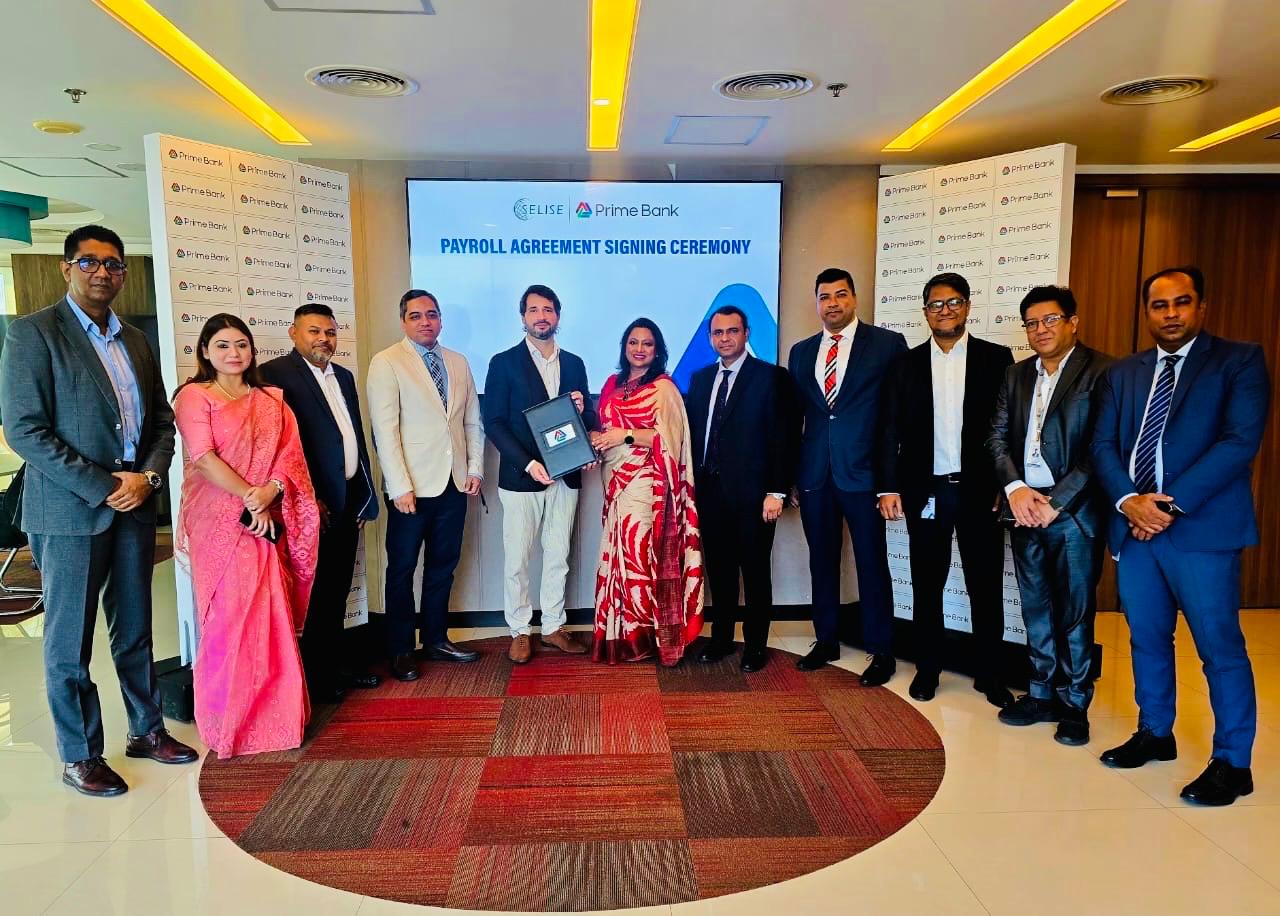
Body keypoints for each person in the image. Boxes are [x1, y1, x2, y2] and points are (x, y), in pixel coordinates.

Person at [0, 225, 197, 797]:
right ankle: (80, 755)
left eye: (113, 263)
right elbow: (25, 430)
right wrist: (105, 485)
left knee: (135, 629)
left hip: (135, 506)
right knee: (70, 643)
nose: (103, 272)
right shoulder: (33, 334)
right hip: (69, 513)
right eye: (89, 262)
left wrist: (149, 479)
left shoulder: (135, 339)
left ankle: (146, 730)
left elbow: (162, 422)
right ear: (67, 268)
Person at [1092, 266, 1270, 806]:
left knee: (1219, 648)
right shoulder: (1123, 373)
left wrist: (1167, 505)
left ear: (1201, 306)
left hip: (1201, 531)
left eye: (1181, 302)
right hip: (1136, 530)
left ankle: (1233, 762)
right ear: (1146, 312)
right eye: (1159, 304)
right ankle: (1155, 732)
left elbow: (1239, 442)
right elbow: (1103, 446)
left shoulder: (1238, 361)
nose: (1170, 314)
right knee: (1146, 638)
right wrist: (1130, 501)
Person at [172, 314, 319, 757]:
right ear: (205, 351)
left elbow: (290, 458)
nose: (233, 353)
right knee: (228, 619)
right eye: (222, 345)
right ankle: (228, 723)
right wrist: (250, 498)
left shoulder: (270, 401)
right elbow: (203, 457)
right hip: (218, 520)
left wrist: (269, 491)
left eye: (241, 344)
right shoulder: (194, 396)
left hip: (263, 519)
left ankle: (277, 720)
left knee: (268, 615)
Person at [877, 272, 1013, 707]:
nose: (945, 310)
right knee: (926, 583)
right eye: (936, 304)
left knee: (984, 585)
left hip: (980, 491)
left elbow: (1008, 426)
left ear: (968, 306)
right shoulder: (905, 365)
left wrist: (1006, 484)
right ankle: (928, 669)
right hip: (926, 492)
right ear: (925, 312)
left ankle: (990, 674)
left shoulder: (997, 358)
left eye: (953, 302)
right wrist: (888, 487)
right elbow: (889, 430)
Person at [988, 285, 1113, 746]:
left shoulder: (1103, 371)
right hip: (1024, 507)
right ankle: (1041, 692)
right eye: (1032, 323)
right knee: (1036, 608)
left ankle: (1075, 703)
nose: (1040, 329)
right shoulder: (1016, 374)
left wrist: (1056, 501)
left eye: (1050, 320)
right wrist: (1017, 490)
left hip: (1073, 512)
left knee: (1074, 613)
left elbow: (1102, 447)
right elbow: (997, 437)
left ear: (1072, 322)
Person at [789, 267, 908, 678]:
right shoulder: (801, 352)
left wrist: (890, 483)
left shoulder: (887, 345)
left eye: (841, 294)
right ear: (816, 303)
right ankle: (826, 641)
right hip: (815, 475)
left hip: (866, 475)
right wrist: (793, 477)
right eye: (825, 297)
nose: (833, 303)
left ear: (854, 298)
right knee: (821, 561)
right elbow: (798, 419)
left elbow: (895, 418)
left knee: (871, 564)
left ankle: (882, 650)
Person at [260, 303, 380, 703]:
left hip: (347, 503)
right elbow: (278, 446)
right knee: (312, 596)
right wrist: (309, 499)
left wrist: (364, 496)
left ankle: (333, 669)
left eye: (329, 332)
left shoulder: (342, 376)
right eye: (314, 331)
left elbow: (353, 438)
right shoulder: (275, 375)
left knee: (337, 591)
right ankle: (313, 681)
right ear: (293, 333)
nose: (323, 339)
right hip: (310, 508)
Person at [367, 290, 484, 682]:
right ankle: (401, 649)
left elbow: (472, 422)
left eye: (432, 314)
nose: (425, 322)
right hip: (410, 490)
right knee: (402, 569)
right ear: (403, 321)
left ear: (440, 319)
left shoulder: (458, 361)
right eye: (416, 316)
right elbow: (385, 432)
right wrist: (399, 486)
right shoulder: (387, 362)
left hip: (454, 483)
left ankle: (436, 639)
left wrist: (475, 468)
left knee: (442, 566)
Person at [483, 284, 598, 664]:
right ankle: (520, 630)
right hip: (522, 478)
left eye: (548, 309)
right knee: (517, 559)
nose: (541, 316)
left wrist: (583, 413)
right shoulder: (503, 363)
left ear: (558, 316)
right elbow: (494, 422)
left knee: (558, 555)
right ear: (523, 317)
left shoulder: (575, 363)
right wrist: (528, 463)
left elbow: (588, 419)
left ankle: (552, 626)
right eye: (533, 310)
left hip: (565, 477)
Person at [685, 305, 798, 672]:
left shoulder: (771, 377)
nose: (725, 338)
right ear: (710, 338)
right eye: (718, 333)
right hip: (710, 493)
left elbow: (784, 437)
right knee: (720, 572)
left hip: (755, 496)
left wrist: (777, 491)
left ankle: (755, 645)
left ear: (746, 333)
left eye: (732, 331)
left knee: (755, 572)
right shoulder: (701, 379)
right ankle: (721, 639)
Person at [591, 318, 703, 665]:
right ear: (624, 347)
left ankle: (642, 637)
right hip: (613, 479)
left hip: (644, 482)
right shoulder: (612, 384)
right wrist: (594, 441)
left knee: (639, 556)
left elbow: (669, 437)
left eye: (647, 344)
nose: (639, 349)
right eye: (633, 342)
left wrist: (623, 436)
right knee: (617, 556)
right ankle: (618, 634)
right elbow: (604, 428)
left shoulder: (663, 388)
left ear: (657, 351)